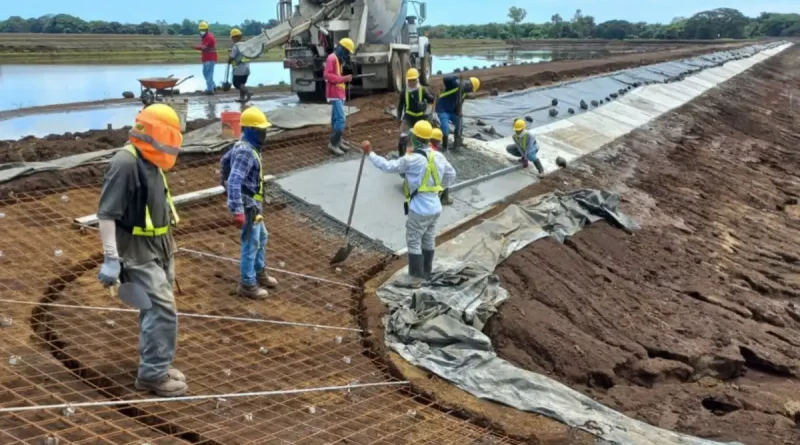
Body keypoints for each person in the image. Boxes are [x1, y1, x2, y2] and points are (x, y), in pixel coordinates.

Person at [96, 104, 187, 397]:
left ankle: (155, 364)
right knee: (162, 309)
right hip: (137, 251)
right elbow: (106, 214)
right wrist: (111, 258)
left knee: (155, 310)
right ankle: (152, 376)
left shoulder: (150, 159)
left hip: (160, 245)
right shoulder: (125, 163)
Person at [361, 120, 456, 281]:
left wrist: (370, 153)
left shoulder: (411, 159)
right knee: (428, 238)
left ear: (416, 138)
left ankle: (415, 278)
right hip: (435, 207)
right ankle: (427, 272)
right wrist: (438, 190)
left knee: (413, 240)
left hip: (420, 209)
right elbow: (451, 175)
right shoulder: (438, 156)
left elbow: (387, 166)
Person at [220, 107, 279, 300]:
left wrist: (224, 182)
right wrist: (237, 210)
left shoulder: (246, 146)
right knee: (250, 242)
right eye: (260, 130)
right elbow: (235, 180)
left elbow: (224, 161)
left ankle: (259, 272)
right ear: (250, 130)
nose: (264, 134)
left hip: (254, 203)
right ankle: (247, 283)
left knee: (262, 237)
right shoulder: (246, 151)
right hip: (248, 205)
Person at [324, 38, 355, 156]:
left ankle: (338, 140)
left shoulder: (338, 59)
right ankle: (333, 143)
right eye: (347, 52)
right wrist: (344, 78)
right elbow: (327, 76)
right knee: (341, 119)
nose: (347, 54)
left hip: (339, 93)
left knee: (336, 119)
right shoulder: (332, 58)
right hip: (334, 93)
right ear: (342, 48)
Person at [396, 68, 435, 158]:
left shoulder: (423, 90)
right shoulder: (404, 92)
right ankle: (402, 158)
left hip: (421, 118)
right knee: (403, 138)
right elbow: (400, 107)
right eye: (410, 80)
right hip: (409, 117)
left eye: (413, 80)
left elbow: (431, 100)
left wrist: (434, 98)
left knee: (422, 138)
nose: (411, 82)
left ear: (417, 79)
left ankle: (424, 156)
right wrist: (398, 118)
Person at [435, 76, 480, 152]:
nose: (470, 91)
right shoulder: (454, 85)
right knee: (445, 126)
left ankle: (457, 142)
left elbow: (459, 103)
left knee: (459, 123)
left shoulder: (463, 93)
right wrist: (456, 79)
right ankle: (444, 146)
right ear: (469, 86)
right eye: (471, 89)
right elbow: (446, 78)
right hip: (443, 109)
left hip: (452, 112)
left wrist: (459, 113)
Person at [228, 28, 252, 103]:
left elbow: (232, 57)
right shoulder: (245, 45)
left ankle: (248, 92)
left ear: (235, 37)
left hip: (239, 69)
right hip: (246, 69)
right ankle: (242, 98)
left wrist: (228, 61)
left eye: (232, 37)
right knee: (242, 84)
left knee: (236, 83)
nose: (232, 39)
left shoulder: (236, 46)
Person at [195, 21, 218, 95]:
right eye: (201, 30)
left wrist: (195, 47)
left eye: (203, 30)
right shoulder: (204, 37)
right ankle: (212, 86)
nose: (202, 31)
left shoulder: (209, 37)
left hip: (210, 58)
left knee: (208, 74)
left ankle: (210, 89)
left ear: (207, 29)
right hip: (206, 58)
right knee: (206, 73)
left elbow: (204, 47)